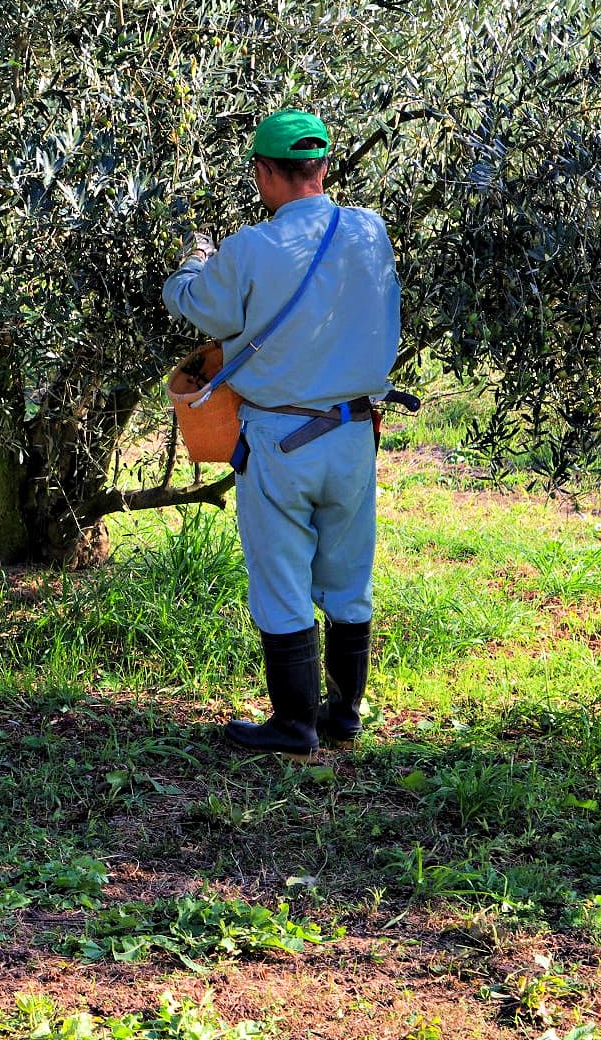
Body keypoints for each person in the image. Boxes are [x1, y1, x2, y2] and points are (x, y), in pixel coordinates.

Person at [161, 111, 403, 757]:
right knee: (349, 575)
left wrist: (192, 263)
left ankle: (293, 724)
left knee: (281, 579)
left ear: (263, 172)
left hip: (278, 436)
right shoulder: (369, 230)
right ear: (324, 168)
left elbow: (197, 305)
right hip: (354, 430)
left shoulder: (250, 247)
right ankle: (344, 717)